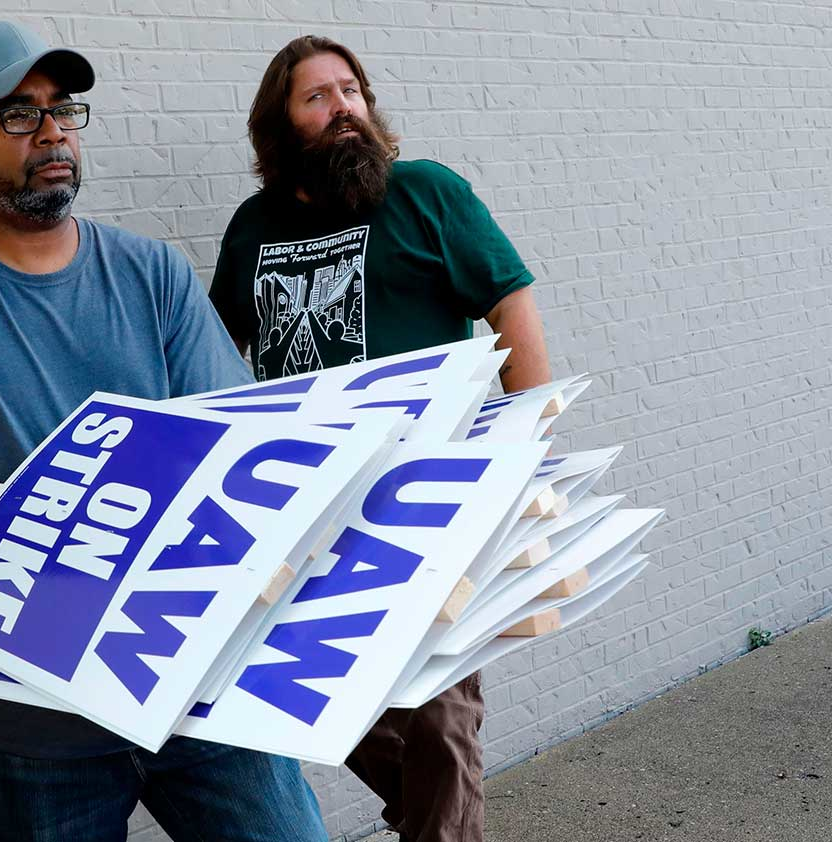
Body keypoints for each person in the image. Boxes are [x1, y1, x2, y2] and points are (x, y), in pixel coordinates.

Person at [0, 21, 329, 842]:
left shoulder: (150, 272)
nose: (51, 131)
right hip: (22, 714)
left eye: (62, 109)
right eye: (16, 114)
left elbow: (230, 436)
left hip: (185, 673)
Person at [208, 35, 554, 842]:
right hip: (305, 503)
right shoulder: (252, 227)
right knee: (321, 693)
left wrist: (528, 447)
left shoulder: (427, 193)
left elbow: (512, 309)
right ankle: (436, 820)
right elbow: (219, 356)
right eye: (317, 98)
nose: (343, 111)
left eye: (351, 91)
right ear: (280, 125)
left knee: (438, 711)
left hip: (427, 494)